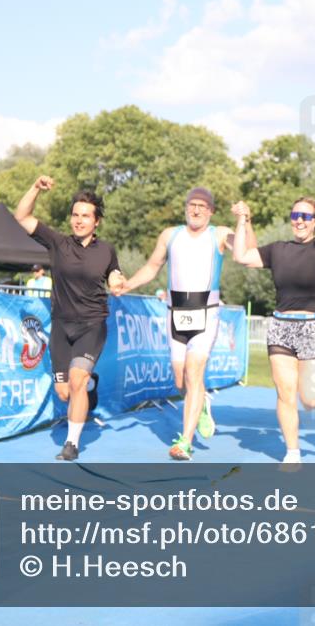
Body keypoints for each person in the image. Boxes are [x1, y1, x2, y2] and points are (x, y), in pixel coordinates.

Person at [115, 187, 255, 460]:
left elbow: (248, 250)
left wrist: (245, 220)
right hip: (175, 313)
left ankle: (185, 442)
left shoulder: (219, 234)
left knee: (193, 372)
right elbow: (152, 267)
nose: (196, 209)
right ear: (186, 207)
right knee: (181, 379)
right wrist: (128, 284)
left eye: (202, 206)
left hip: (207, 312)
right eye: (192, 204)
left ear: (211, 211)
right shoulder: (170, 235)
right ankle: (200, 404)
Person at [230, 156, 315, 464]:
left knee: (308, 399)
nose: (299, 220)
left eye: (305, 216)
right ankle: (293, 452)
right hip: (281, 327)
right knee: (285, 394)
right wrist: (243, 219)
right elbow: (241, 256)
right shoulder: (278, 250)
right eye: (295, 215)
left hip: (314, 327)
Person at [14, 175, 125, 461]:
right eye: (75, 215)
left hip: (92, 325)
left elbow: (113, 271)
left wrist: (117, 280)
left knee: (76, 380)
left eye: (86, 216)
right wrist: (35, 188)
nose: (79, 220)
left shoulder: (106, 250)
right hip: (62, 327)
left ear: (97, 221)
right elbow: (22, 217)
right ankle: (90, 386)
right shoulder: (58, 243)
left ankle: (71, 444)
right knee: (64, 392)